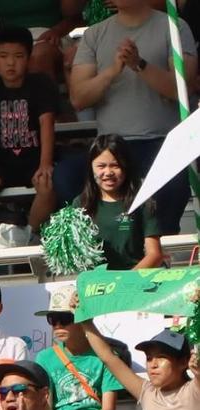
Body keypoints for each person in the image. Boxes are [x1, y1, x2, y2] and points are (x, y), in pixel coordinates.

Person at [62, 0, 197, 237]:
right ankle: (94, 244)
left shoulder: (174, 27)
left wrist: (139, 65)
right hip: (112, 146)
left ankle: (160, 248)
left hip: (163, 143)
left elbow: (180, 90)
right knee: (65, 176)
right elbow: (79, 98)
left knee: (175, 183)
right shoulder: (94, 34)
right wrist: (112, 71)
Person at [0, 28, 58, 220]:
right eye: (3, 56)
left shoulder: (41, 84)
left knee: (48, 187)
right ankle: (10, 221)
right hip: (0, 164)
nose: (10, 62)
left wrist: (45, 164)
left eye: (18, 56)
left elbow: (46, 123)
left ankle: (31, 231)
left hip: (34, 161)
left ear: (29, 59)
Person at [78, 135, 166, 271]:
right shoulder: (81, 204)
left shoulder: (142, 201)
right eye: (101, 166)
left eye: (115, 166)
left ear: (126, 167)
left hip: (136, 279)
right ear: (91, 168)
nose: (108, 172)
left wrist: (125, 281)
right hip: (96, 282)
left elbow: (155, 254)